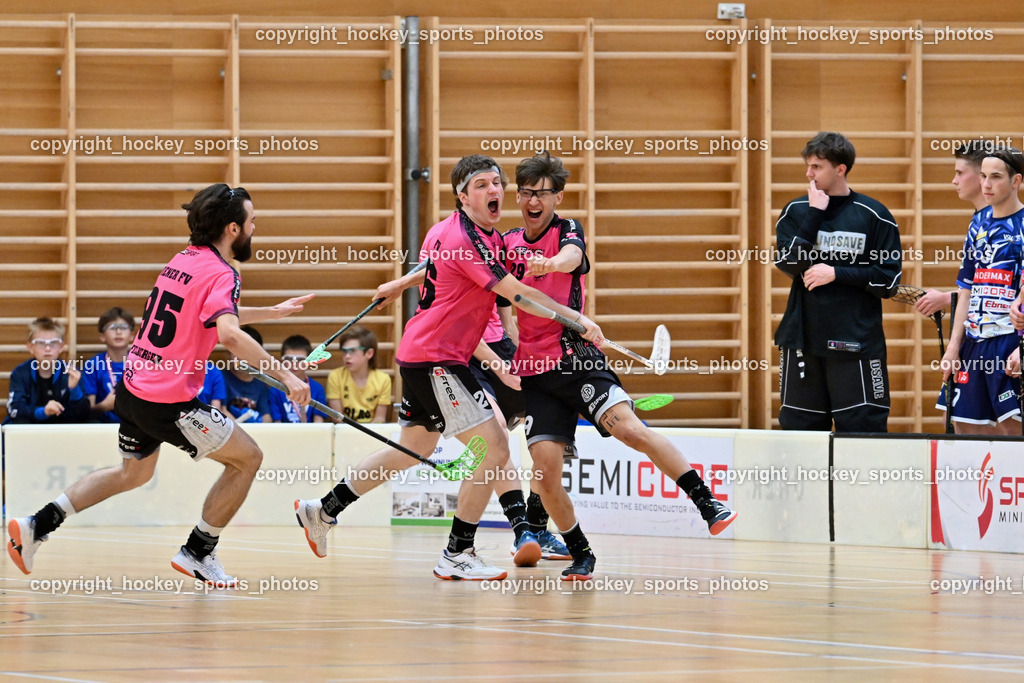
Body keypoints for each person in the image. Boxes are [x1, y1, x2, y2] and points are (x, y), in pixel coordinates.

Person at [293, 154, 605, 581]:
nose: (494, 190)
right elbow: (519, 296)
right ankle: (458, 552)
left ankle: (323, 509)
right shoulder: (468, 239)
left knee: (414, 448)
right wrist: (576, 319)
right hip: (439, 358)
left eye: (496, 182)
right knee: (494, 448)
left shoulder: (463, 231)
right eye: (480, 185)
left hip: (423, 354)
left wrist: (400, 282)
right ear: (462, 196)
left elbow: (437, 268)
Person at [6, 184, 312, 585]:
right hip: (168, 400)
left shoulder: (182, 260)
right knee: (248, 458)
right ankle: (197, 554)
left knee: (132, 474)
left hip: (132, 389)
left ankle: (35, 525)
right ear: (234, 229)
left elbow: (209, 312)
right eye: (253, 221)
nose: (256, 228)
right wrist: (287, 376)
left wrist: (271, 312)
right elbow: (230, 335)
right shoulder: (224, 272)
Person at [502, 151, 735, 580]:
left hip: (578, 358)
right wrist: (509, 349)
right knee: (546, 471)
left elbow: (572, 258)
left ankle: (707, 502)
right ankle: (581, 552)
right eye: (527, 192)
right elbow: (501, 302)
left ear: (558, 197)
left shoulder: (568, 231)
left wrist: (549, 264)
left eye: (544, 193)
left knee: (631, 430)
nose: (534, 201)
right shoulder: (508, 243)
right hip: (535, 373)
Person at [774, 132, 902, 432]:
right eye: (808, 166)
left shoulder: (874, 216)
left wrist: (837, 272)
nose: (808, 173)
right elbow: (790, 263)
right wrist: (815, 214)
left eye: (817, 166)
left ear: (840, 169)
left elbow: (889, 281)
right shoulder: (797, 211)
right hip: (803, 342)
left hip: (856, 344)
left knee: (863, 433)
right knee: (800, 434)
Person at [943, 148, 1024, 433]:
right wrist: (954, 346)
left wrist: (1021, 348)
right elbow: (966, 289)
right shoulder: (978, 222)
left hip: (1009, 342)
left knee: (1013, 430)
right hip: (974, 341)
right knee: (963, 426)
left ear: (1016, 181)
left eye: (996, 177)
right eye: (983, 177)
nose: (986, 185)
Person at [915, 141, 993, 318]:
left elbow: (998, 288)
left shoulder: (999, 222)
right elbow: (975, 284)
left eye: (960, 173)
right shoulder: (979, 220)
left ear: (982, 176)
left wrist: (946, 298)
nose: (954, 180)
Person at [4, 317, 90, 424]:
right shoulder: (20, 373)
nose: (48, 348)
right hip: (30, 430)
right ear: (30, 347)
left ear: (61, 347)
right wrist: (43, 412)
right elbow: (14, 410)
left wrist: (74, 390)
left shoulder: (72, 373)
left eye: (53, 343)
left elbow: (84, 416)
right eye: (41, 343)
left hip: (62, 431)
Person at [324, 326, 391, 423]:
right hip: (344, 432)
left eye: (353, 351)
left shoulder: (383, 379)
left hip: (371, 433)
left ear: (369, 353)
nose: (347, 356)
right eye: (344, 351)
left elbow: (379, 418)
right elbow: (337, 418)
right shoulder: (335, 376)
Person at [81, 307, 135, 423]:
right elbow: (87, 412)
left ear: (132, 336)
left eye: (124, 327)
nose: (119, 332)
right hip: (104, 427)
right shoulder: (93, 366)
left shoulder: (142, 364)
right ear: (102, 336)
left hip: (137, 426)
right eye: (112, 327)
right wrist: (105, 406)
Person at [269, 335, 327, 423]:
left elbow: (318, 422)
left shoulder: (317, 389)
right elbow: (277, 423)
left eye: (300, 360)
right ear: (282, 361)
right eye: (289, 359)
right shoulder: (275, 390)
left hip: (311, 435)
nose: (294, 363)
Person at [223, 325, 273, 423]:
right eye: (237, 350)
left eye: (246, 351)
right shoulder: (221, 378)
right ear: (229, 352)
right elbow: (221, 410)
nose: (241, 356)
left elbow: (266, 416)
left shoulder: (261, 384)